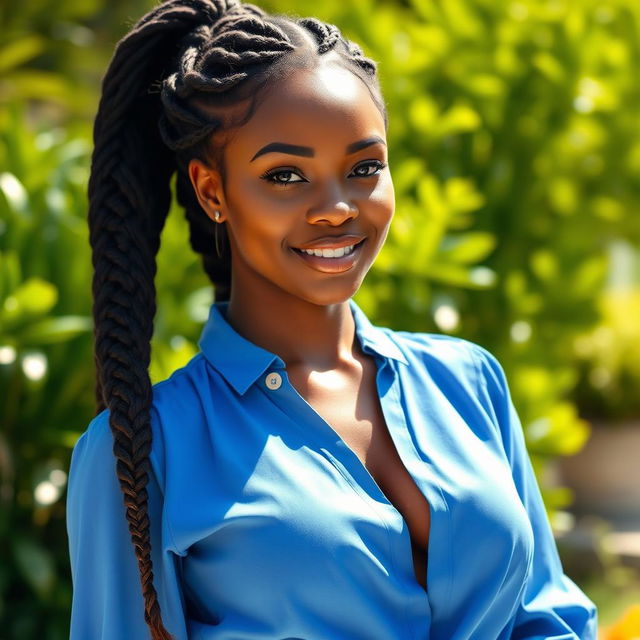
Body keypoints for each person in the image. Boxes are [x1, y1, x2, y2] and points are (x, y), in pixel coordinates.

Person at [65, 0, 598, 638]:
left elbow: (549, 614)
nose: (337, 208)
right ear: (213, 191)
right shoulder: (146, 450)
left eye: (364, 167)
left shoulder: (467, 382)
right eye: (286, 175)